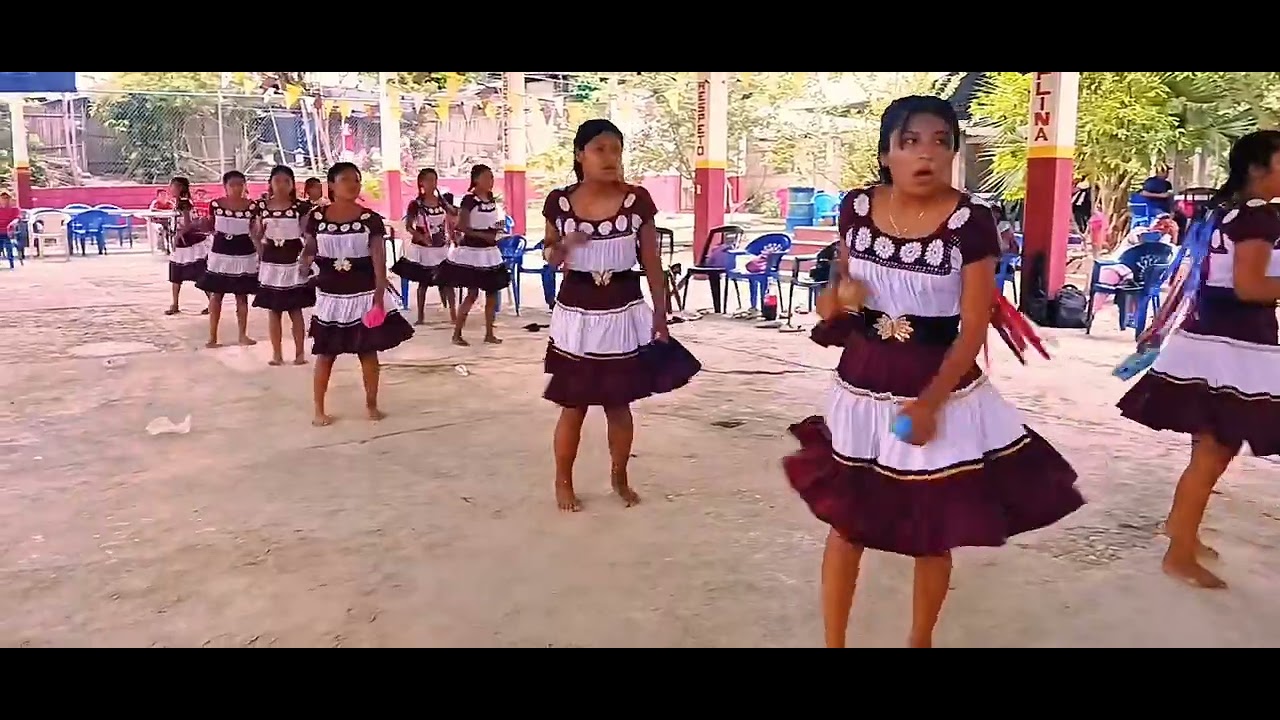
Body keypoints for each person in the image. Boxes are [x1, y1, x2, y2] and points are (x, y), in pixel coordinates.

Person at [781, 96, 1084, 648]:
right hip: (862, 382)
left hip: (934, 383)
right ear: (886, 154)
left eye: (941, 142)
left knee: (929, 526)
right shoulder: (856, 209)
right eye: (911, 141)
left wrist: (929, 403)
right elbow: (837, 298)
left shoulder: (972, 222)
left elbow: (973, 328)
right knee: (848, 521)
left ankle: (919, 640)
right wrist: (837, 300)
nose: (928, 154)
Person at [1117, 130, 1280, 590]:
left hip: (1212, 340)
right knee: (1214, 452)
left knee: (1208, 449)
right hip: (1234, 346)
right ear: (1256, 168)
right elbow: (1250, 287)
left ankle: (1181, 531)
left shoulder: (1224, 210)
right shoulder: (1258, 218)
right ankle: (1179, 551)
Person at [541, 119, 703, 511]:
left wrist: (661, 317)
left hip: (623, 308)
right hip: (576, 312)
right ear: (580, 154)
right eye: (600, 149)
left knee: (618, 403)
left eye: (615, 150)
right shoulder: (559, 202)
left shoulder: (636, 201)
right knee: (574, 404)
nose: (609, 158)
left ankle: (619, 476)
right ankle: (563, 482)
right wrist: (564, 245)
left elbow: (652, 263)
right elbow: (549, 255)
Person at [300, 162, 414, 426]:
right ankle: (319, 410)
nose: (353, 184)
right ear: (331, 185)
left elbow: (378, 259)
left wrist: (378, 296)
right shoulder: (316, 218)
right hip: (330, 297)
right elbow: (309, 249)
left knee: (367, 352)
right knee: (325, 354)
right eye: (346, 179)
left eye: (357, 179)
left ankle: (371, 405)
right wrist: (303, 264)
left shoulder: (370, 220)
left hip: (362, 295)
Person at [435, 164, 509, 345]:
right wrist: (484, 234)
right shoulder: (469, 200)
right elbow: (462, 227)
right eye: (486, 178)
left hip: (489, 253)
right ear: (476, 179)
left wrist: (496, 230)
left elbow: (492, 220)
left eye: (492, 178)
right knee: (472, 294)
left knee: (492, 293)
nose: (490, 181)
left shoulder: (490, 198)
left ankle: (489, 333)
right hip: (472, 253)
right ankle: (457, 333)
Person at [252, 165, 315, 366]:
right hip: (271, 262)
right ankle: (276, 354)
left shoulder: (301, 207)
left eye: (286, 181)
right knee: (274, 310)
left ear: (292, 184)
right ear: (270, 183)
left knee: (295, 310)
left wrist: (306, 260)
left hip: (293, 261)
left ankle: (299, 354)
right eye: (277, 181)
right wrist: (261, 256)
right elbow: (257, 235)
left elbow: (309, 237)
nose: (281, 185)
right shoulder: (261, 207)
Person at [196, 171, 260, 346]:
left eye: (240, 184)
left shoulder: (252, 207)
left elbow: (255, 231)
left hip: (244, 252)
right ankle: (212, 336)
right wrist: (202, 224)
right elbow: (209, 225)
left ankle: (242, 335)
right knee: (216, 295)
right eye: (232, 185)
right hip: (220, 252)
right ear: (225, 187)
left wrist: (260, 250)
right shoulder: (216, 204)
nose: (237, 188)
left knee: (242, 296)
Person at [391, 168, 457, 325]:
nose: (431, 183)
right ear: (421, 182)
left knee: (447, 282)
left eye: (434, 180)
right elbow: (408, 227)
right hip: (423, 248)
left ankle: (454, 315)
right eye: (428, 180)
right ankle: (421, 316)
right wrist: (420, 236)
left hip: (441, 247)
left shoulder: (441, 202)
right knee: (424, 282)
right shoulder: (416, 204)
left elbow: (453, 215)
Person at [164, 176, 211, 316]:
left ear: (180, 188)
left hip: (189, 245)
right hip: (182, 244)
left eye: (173, 186)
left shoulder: (184, 203)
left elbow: (188, 223)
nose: (170, 189)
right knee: (176, 275)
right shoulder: (178, 203)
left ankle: (212, 302)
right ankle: (175, 304)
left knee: (199, 274)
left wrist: (179, 234)